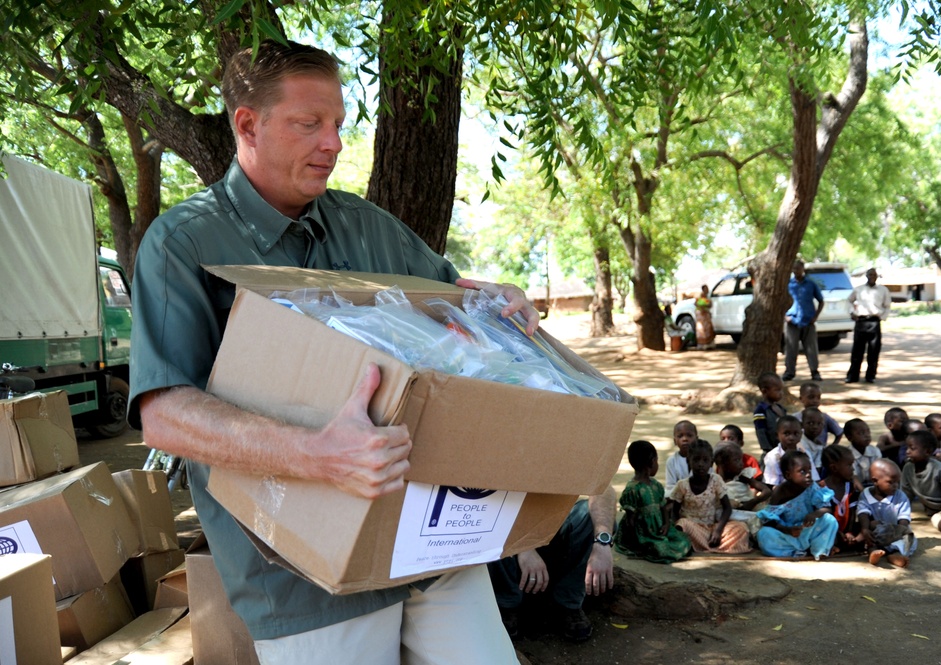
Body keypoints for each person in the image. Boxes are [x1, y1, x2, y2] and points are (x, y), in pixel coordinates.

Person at [127, 40, 540, 664]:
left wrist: (500, 302)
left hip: (425, 543)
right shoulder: (181, 244)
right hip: (299, 575)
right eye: (308, 124)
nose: (334, 143)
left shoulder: (369, 226)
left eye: (339, 125)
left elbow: (452, 301)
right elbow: (164, 414)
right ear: (248, 124)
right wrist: (316, 455)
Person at [488, 487, 617, 643]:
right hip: (510, 530)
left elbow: (603, 489)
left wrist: (602, 542)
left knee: (590, 516)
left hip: (551, 529)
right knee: (488, 514)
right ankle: (506, 604)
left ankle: (568, 602)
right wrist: (525, 547)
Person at [614, 440, 692, 565]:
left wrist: (666, 524)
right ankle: (650, 546)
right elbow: (630, 521)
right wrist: (636, 543)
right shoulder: (633, 490)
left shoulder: (656, 486)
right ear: (651, 463)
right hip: (642, 534)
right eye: (656, 461)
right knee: (661, 549)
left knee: (684, 540)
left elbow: (663, 507)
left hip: (658, 529)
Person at [669, 440, 752, 553]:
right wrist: (676, 529)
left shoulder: (716, 480)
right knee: (682, 524)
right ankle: (709, 546)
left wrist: (718, 530)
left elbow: (727, 508)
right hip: (693, 529)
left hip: (712, 528)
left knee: (741, 528)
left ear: (711, 463)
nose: (700, 464)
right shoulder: (682, 485)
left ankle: (700, 546)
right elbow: (675, 511)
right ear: (688, 461)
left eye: (705, 460)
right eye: (696, 460)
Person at [755, 450, 839, 560]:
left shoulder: (812, 487)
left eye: (809, 470)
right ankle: (796, 552)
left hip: (807, 530)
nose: (808, 474)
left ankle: (819, 550)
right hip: (787, 534)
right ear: (788, 475)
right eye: (802, 471)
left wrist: (815, 514)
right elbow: (769, 521)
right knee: (764, 534)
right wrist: (787, 530)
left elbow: (827, 509)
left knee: (830, 520)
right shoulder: (780, 492)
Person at [857, 459, 916, 568]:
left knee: (909, 537)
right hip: (877, 532)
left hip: (896, 531)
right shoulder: (865, 495)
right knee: (869, 533)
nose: (896, 486)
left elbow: (904, 517)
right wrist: (865, 529)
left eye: (897, 482)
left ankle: (896, 555)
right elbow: (863, 513)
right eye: (891, 482)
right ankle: (873, 552)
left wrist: (899, 531)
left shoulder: (900, 496)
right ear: (875, 481)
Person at [846, 268, 892, 384]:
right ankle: (853, 376)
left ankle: (870, 376)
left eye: (874, 275)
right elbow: (849, 301)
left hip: (874, 322)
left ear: (877, 277)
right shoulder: (859, 289)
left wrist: (882, 317)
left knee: (873, 350)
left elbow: (887, 305)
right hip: (861, 321)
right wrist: (851, 312)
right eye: (870, 275)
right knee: (857, 351)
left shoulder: (883, 290)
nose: (872, 277)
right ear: (866, 276)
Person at [783, 259, 825, 382]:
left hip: (808, 321)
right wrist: (785, 316)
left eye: (799, 268)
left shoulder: (811, 284)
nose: (796, 271)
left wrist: (815, 316)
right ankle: (789, 372)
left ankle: (814, 371)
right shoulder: (788, 285)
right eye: (794, 268)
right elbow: (780, 302)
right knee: (790, 349)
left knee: (811, 348)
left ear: (803, 269)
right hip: (792, 321)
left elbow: (821, 301)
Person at [819, 444, 863, 552]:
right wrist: (838, 533)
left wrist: (849, 532)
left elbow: (852, 513)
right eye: (849, 465)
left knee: (867, 528)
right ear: (834, 468)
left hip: (848, 531)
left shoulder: (851, 487)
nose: (853, 469)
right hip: (830, 531)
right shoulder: (821, 489)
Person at [714, 442, 771, 522]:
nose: (741, 464)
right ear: (723, 463)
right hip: (732, 512)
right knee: (719, 513)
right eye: (736, 460)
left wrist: (752, 502)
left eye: (741, 459)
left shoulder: (742, 476)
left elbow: (767, 491)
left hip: (750, 508)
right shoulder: (714, 481)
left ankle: (758, 518)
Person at [763, 416, 817, 486]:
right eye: (786, 434)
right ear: (777, 435)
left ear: (801, 434)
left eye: (796, 434)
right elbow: (772, 484)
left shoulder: (805, 454)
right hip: (782, 492)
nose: (791, 438)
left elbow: (814, 478)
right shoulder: (773, 456)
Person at [793, 381, 843, 446]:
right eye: (811, 397)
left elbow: (839, 432)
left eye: (818, 398)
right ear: (801, 399)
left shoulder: (824, 417)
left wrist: (832, 447)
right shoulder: (795, 418)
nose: (815, 401)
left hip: (820, 452)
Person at [753, 372, 787, 462]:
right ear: (764, 391)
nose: (781, 393)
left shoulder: (781, 408)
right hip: (771, 452)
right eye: (777, 390)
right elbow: (761, 432)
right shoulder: (761, 411)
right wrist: (768, 450)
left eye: (781, 390)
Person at [844, 418, 882, 490]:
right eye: (861, 433)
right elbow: (854, 477)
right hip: (855, 488)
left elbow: (879, 472)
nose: (867, 435)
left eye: (868, 432)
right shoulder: (847, 454)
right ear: (849, 438)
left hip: (874, 485)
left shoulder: (875, 451)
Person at [664, 421, 698, 494]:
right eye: (680, 436)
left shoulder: (703, 459)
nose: (685, 439)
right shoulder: (672, 461)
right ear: (675, 441)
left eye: (689, 435)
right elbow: (670, 487)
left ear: (696, 439)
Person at [797, 407, 827, 480]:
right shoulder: (800, 444)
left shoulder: (819, 444)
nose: (815, 427)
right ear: (802, 425)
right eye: (810, 423)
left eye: (819, 424)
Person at [694, 284, 716, 350]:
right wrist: (702, 308)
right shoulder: (699, 297)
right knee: (701, 329)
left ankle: (708, 344)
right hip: (701, 314)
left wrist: (706, 308)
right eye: (706, 288)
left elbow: (710, 305)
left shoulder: (708, 297)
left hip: (706, 314)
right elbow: (696, 304)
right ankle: (702, 344)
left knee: (708, 329)